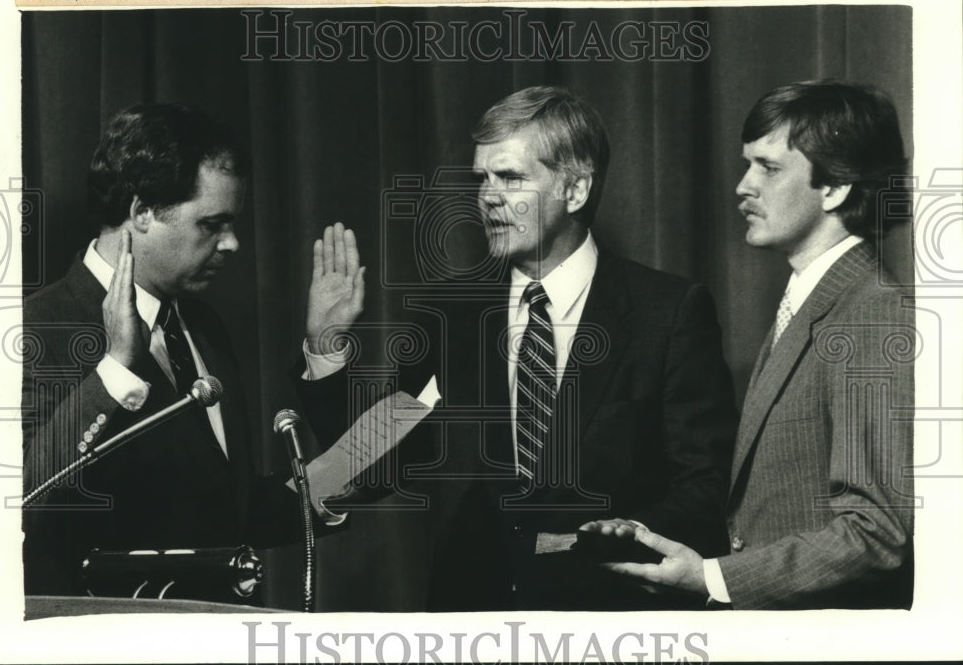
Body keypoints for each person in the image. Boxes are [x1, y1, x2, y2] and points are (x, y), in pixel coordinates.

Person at [298, 86, 738, 610]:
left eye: (510, 178)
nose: (488, 197)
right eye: (481, 179)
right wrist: (327, 346)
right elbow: (372, 463)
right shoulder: (450, 314)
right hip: (473, 624)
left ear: (574, 190)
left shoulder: (668, 312)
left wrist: (623, 534)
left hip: (611, 623)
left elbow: (705, 484)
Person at [580, 79, 915, 609]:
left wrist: (717, 579)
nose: (743, 186)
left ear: (835, 187)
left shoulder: (870, 315)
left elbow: (876, 533)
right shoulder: (816, 300)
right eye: (746, 164)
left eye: (769, 167)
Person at [22, 104, 303, 598]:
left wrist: (351, 472)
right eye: (211, 224)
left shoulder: (202, 326)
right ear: (142, 212)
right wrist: (112, 371)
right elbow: (13, 503)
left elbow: (221, 507)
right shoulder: (29, 329)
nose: (232, 243)